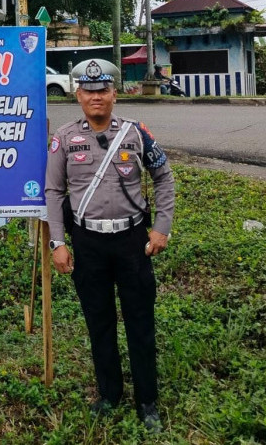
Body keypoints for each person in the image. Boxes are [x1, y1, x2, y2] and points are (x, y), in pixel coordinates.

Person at [45, 59, 174, 433]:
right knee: (99, 321)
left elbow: (164, 178)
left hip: (133, 241)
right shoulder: (65, 139)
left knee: (139, 321)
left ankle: (147, 401)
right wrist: (58, 241)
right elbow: (53, 192)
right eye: (88, 90)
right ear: (77, 95)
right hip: (88, 243)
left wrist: (161, 228)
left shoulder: (136, 135)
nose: (96, 97)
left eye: (103, 90)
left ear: (115, 93)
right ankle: (109, 393)